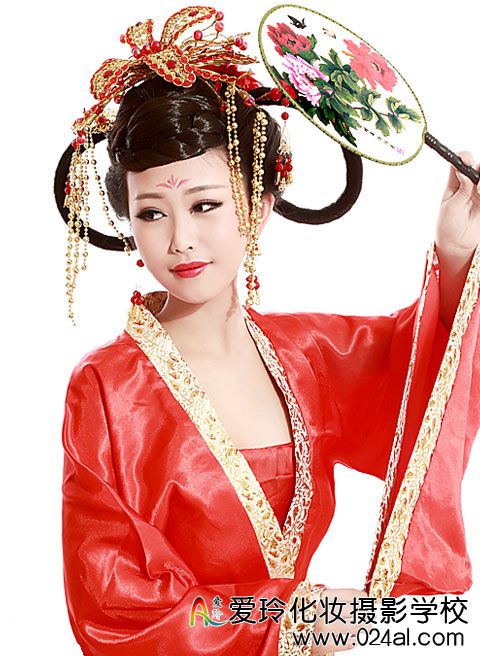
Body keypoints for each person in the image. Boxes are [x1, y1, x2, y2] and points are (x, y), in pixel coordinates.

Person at [56, 7, 480, 656]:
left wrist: (455, 254)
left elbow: (422, 385)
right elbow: (116, 606)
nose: (181, 239)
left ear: (258, 205)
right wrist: (291, 617)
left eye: (205, 204)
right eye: (152, 213)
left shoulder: (305, 356)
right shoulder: (108, 389)